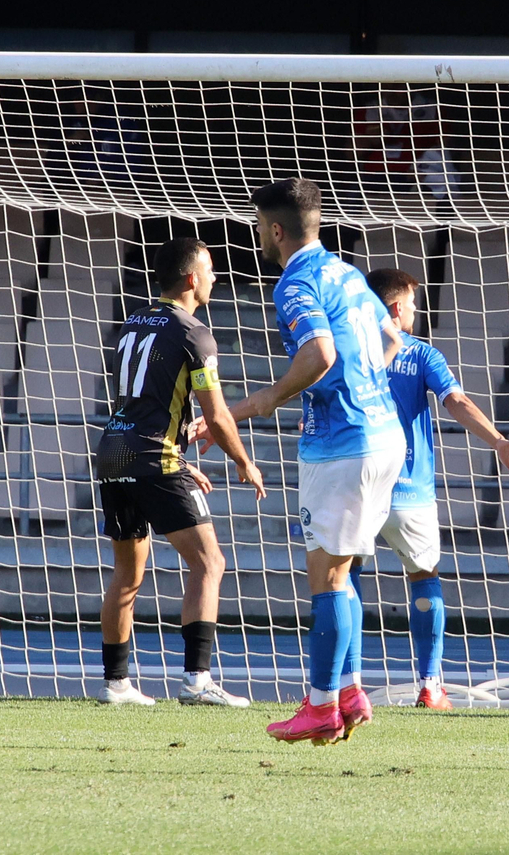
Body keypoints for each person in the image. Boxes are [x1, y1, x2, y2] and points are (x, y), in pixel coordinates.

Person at [200, 178, 405, 744]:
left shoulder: (296, 282)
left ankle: (318, 708)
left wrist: (263, 400)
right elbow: (392, 340)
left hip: (343, 443)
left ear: (274, 229)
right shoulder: (348, 274)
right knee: (341, 572)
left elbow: (319, 353)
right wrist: (357, 388)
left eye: (259, 229)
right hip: (383, 434)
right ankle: (348, 690)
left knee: (326, 578)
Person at [93, 238, 267, 707]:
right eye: (209, 271)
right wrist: (243, 461)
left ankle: (116, 685)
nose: (214, 279)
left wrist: (179, 456)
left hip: (114, 450)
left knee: (127, 574)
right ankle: (196, 681)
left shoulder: (132, 322)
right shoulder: (195, 333)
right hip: (153, 456)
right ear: (192, 279)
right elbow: (217, 415)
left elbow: (144, 403)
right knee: (209, 562)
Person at [363, 268, 509, 710]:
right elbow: (456, 401)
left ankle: (345, 685)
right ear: (397, 308)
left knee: (342, 576)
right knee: (424, 577)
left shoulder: (346, 352)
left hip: (357, 485)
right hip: (408, 491)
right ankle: (430, 684)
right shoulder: (421, 354)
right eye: (413, 305)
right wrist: (498, 442)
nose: (416, 312)